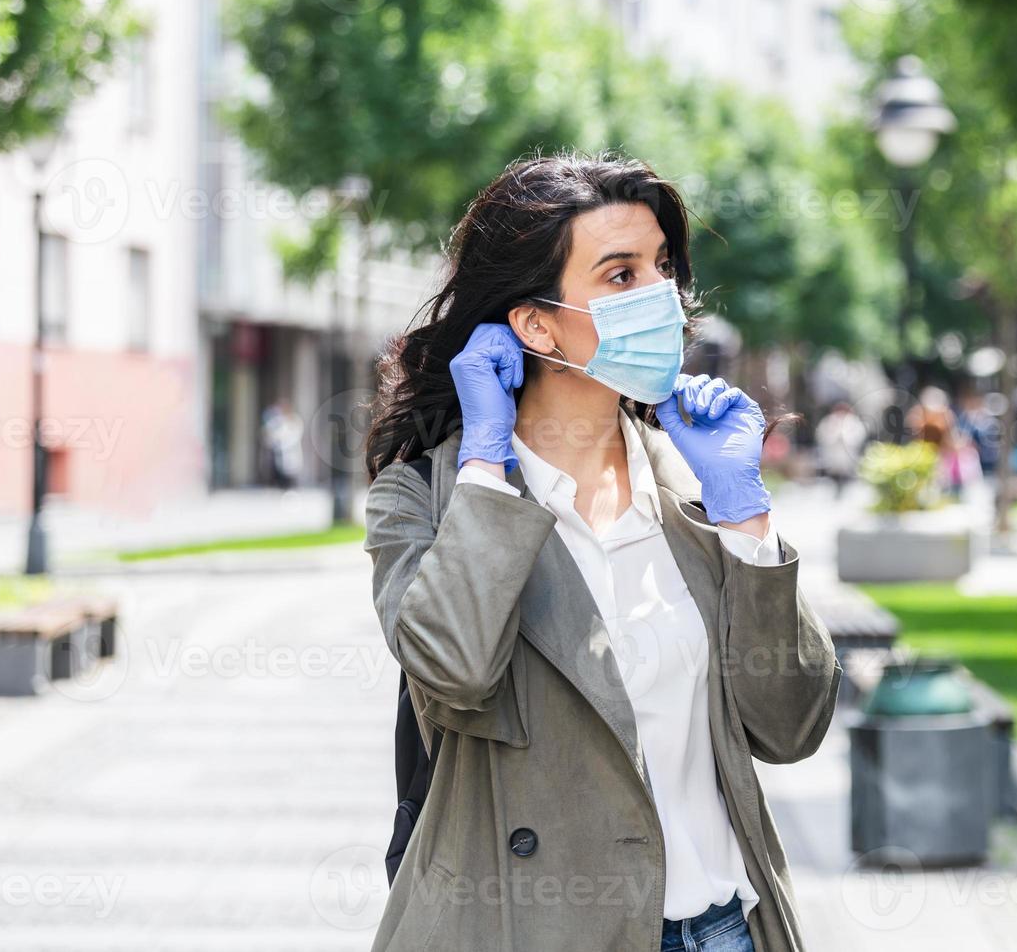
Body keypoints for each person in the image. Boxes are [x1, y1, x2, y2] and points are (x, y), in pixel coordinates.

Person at [361, 151, 841, 952]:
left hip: (725, 930)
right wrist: (487, 469)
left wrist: (747, 520)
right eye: (620, 277)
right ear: (535, 323)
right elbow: (453, 673)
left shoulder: (693, 484)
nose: (660, 297)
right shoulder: (425, 499)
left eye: (662, 269)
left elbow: (791, 726)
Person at [814, 401, 867, 499]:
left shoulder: (853, 421)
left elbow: (858, 436)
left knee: (848, 476)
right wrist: (834, 434)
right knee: (834, 474)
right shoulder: (829, 421)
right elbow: (822, 435)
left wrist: (845, 436)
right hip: (833, 453)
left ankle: (848, 494)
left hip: (848, 453)